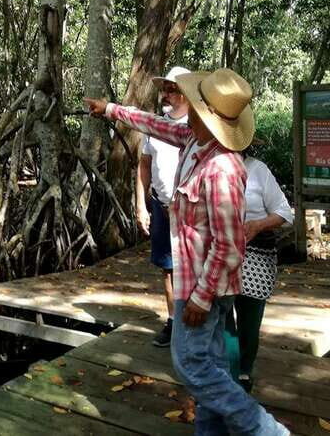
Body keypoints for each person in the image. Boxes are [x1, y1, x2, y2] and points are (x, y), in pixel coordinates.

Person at [85, 68, 288, 436]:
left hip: (205, 288)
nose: (185, 110)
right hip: (195, 281)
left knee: (191, 367)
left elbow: (230, 245)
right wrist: (111, 109)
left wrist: (200, 297)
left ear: (207, 114)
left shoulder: (223, 168)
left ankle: (267, 431)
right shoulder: (196, 140)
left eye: (193, 105)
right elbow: (155, 125)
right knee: (211, 364)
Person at [226, 151, 294, 393]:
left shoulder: (258, 170)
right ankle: (229, 372)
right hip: (219, 255)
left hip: (256, 257)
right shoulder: (207, 166)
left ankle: (243, 370)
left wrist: (258, 224)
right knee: (223, 319)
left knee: (249, 321)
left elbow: (285, 212)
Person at [135, 66, 191, 347]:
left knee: (193, 267)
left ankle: (196, 322)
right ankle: (173, 322)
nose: (166, 94)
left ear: (187, 93)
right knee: (168, 268)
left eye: (173, 89)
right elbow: (144, 166)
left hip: (191, 211)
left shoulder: (198, 126)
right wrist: (140, 204)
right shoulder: (155, 126)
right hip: (160, 205)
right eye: (165, 89)